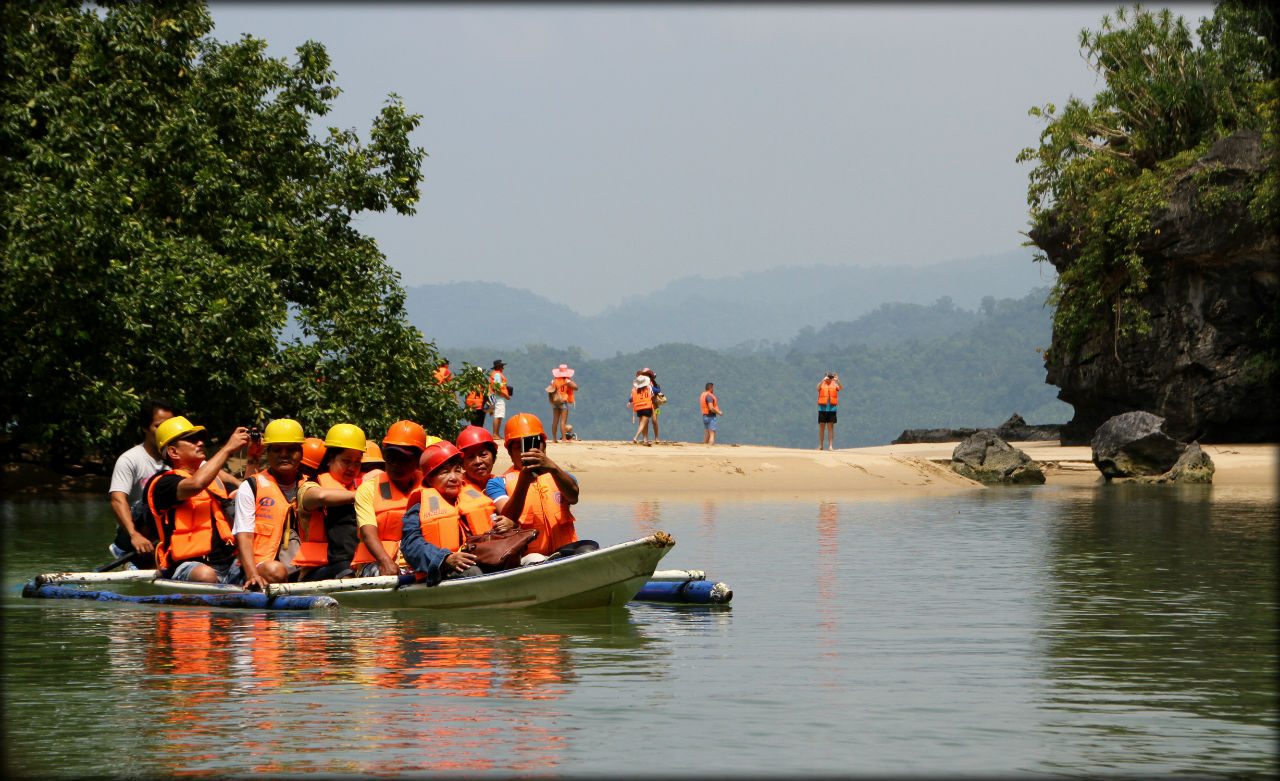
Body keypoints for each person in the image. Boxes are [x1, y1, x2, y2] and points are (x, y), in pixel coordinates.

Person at [146, 416, 251, 583]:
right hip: (189, 566)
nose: (200, 443)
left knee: (268, 569)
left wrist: (253, 458)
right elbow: (196, 484)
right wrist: (227, 449)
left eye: (200, 440)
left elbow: (249, 494)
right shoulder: (163, 483)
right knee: (205, 575)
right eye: (192, 441)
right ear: (173, 452)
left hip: (230, 563)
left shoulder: (216, 481)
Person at [488, 413, 596, 561]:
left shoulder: (560, 476)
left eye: (534, 446)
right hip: (528, 557)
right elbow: (508, 516)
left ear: (544, 447)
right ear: (510, 453)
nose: (528, 452)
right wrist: (523, 482)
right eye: (521, 448)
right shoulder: (498, 483)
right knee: (536, 559)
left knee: (590, 549)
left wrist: (553, 468)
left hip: (565, 551)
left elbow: (573, 496)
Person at [231, 418, 306, 591]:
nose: (284, 454)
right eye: (277, 449)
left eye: (291, 450)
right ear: (268, 453)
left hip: (303, 566)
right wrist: (252, 575)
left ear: (301, 454)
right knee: (275, 571)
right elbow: (244, 535)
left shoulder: (312, 486)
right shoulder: (251, 486)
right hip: (261, 566)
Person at [399, 442, 484, 584]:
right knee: (472, 571)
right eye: (445, 472)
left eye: (457, 471)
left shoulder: (472, 498)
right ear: (429, 478)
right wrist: (444, 558)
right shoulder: (418, 509)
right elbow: (411, 545)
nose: (454, 478)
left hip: (479, 560)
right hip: (441, 571)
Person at [351, 420, 427, 577]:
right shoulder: (368, 489)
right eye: (391, 457)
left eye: (403, 458)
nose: (395, 464)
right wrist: (385, 562)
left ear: (419, 459)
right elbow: (367, 533)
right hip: (377, 563)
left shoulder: (430, 485)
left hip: (421, 560)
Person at [107, 397, 175, 567]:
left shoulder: (180, 454)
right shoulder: (130, 459)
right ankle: (125, 551)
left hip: (168, 527)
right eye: (159, 426)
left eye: (169, 425)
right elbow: (117, 499)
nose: (165, 432)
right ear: (145, 428)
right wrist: (133, 534)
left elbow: (212, 471)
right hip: (135, 530)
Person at [295, 423, 366, 581]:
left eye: (357, 462)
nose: (352, 467)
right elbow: (320, 497)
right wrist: (360, 496)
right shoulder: (309, 486)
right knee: (346, 570)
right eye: (346, 461)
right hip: (318, 571)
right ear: (329, 459)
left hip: (356, 565)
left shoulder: (363, 485)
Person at [456, 425, 516, 533]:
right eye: (471, 457)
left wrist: (513, 523)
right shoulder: (454, 488)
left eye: (483, 455)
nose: (478, 461)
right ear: (462, 464)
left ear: (493, 458)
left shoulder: (505, 483)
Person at [546, 363, 578, 442]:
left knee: (555, 420)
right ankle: (564, 438)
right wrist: (569, 385)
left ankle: (554, 438)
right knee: (563, 421)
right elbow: (576, 387)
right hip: (563, 400)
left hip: (555, 401)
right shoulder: (567, 380)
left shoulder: (554, 380)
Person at [818, 372, 844, 451]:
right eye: (827, 377)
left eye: (830, 377)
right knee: (822, 427)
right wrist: (823, 380)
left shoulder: (834, 384)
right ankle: (821, 446)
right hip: (822, 408)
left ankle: (830, 446)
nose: (829, 378)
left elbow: (841, 388)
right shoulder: (822, 384)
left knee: (830, 427)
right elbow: (818, 388)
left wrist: (837, 380)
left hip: (832, 408)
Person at [628, 373, 655, 444]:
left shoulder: (635, 389)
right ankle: (635, 437)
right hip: (647, 407)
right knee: (643, 424)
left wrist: (629, 402)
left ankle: (645, 439)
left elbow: (631, 398)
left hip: (639, 408)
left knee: (643, 424)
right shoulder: (649, 388)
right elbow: (655, 393)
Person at [488, 359, 511, 438]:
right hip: (498, 398)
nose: (503, 368)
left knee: (499, 416)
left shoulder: (495, 374)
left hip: (496, 397)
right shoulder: (497, 375)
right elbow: (497, 388)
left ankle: (496, 434)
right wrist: (506, 395)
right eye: (502, 366)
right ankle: (495, 434)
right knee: (498, 415)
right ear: (498, 367)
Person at [641, 368, 663, 442]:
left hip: (654, 405)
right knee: (646, 421)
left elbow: (658, 391)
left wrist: (650, 387)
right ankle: (645, 438)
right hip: (645, 404)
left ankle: (656, 437)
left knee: (654, 420)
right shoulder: (641, 384)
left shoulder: (653, 383)